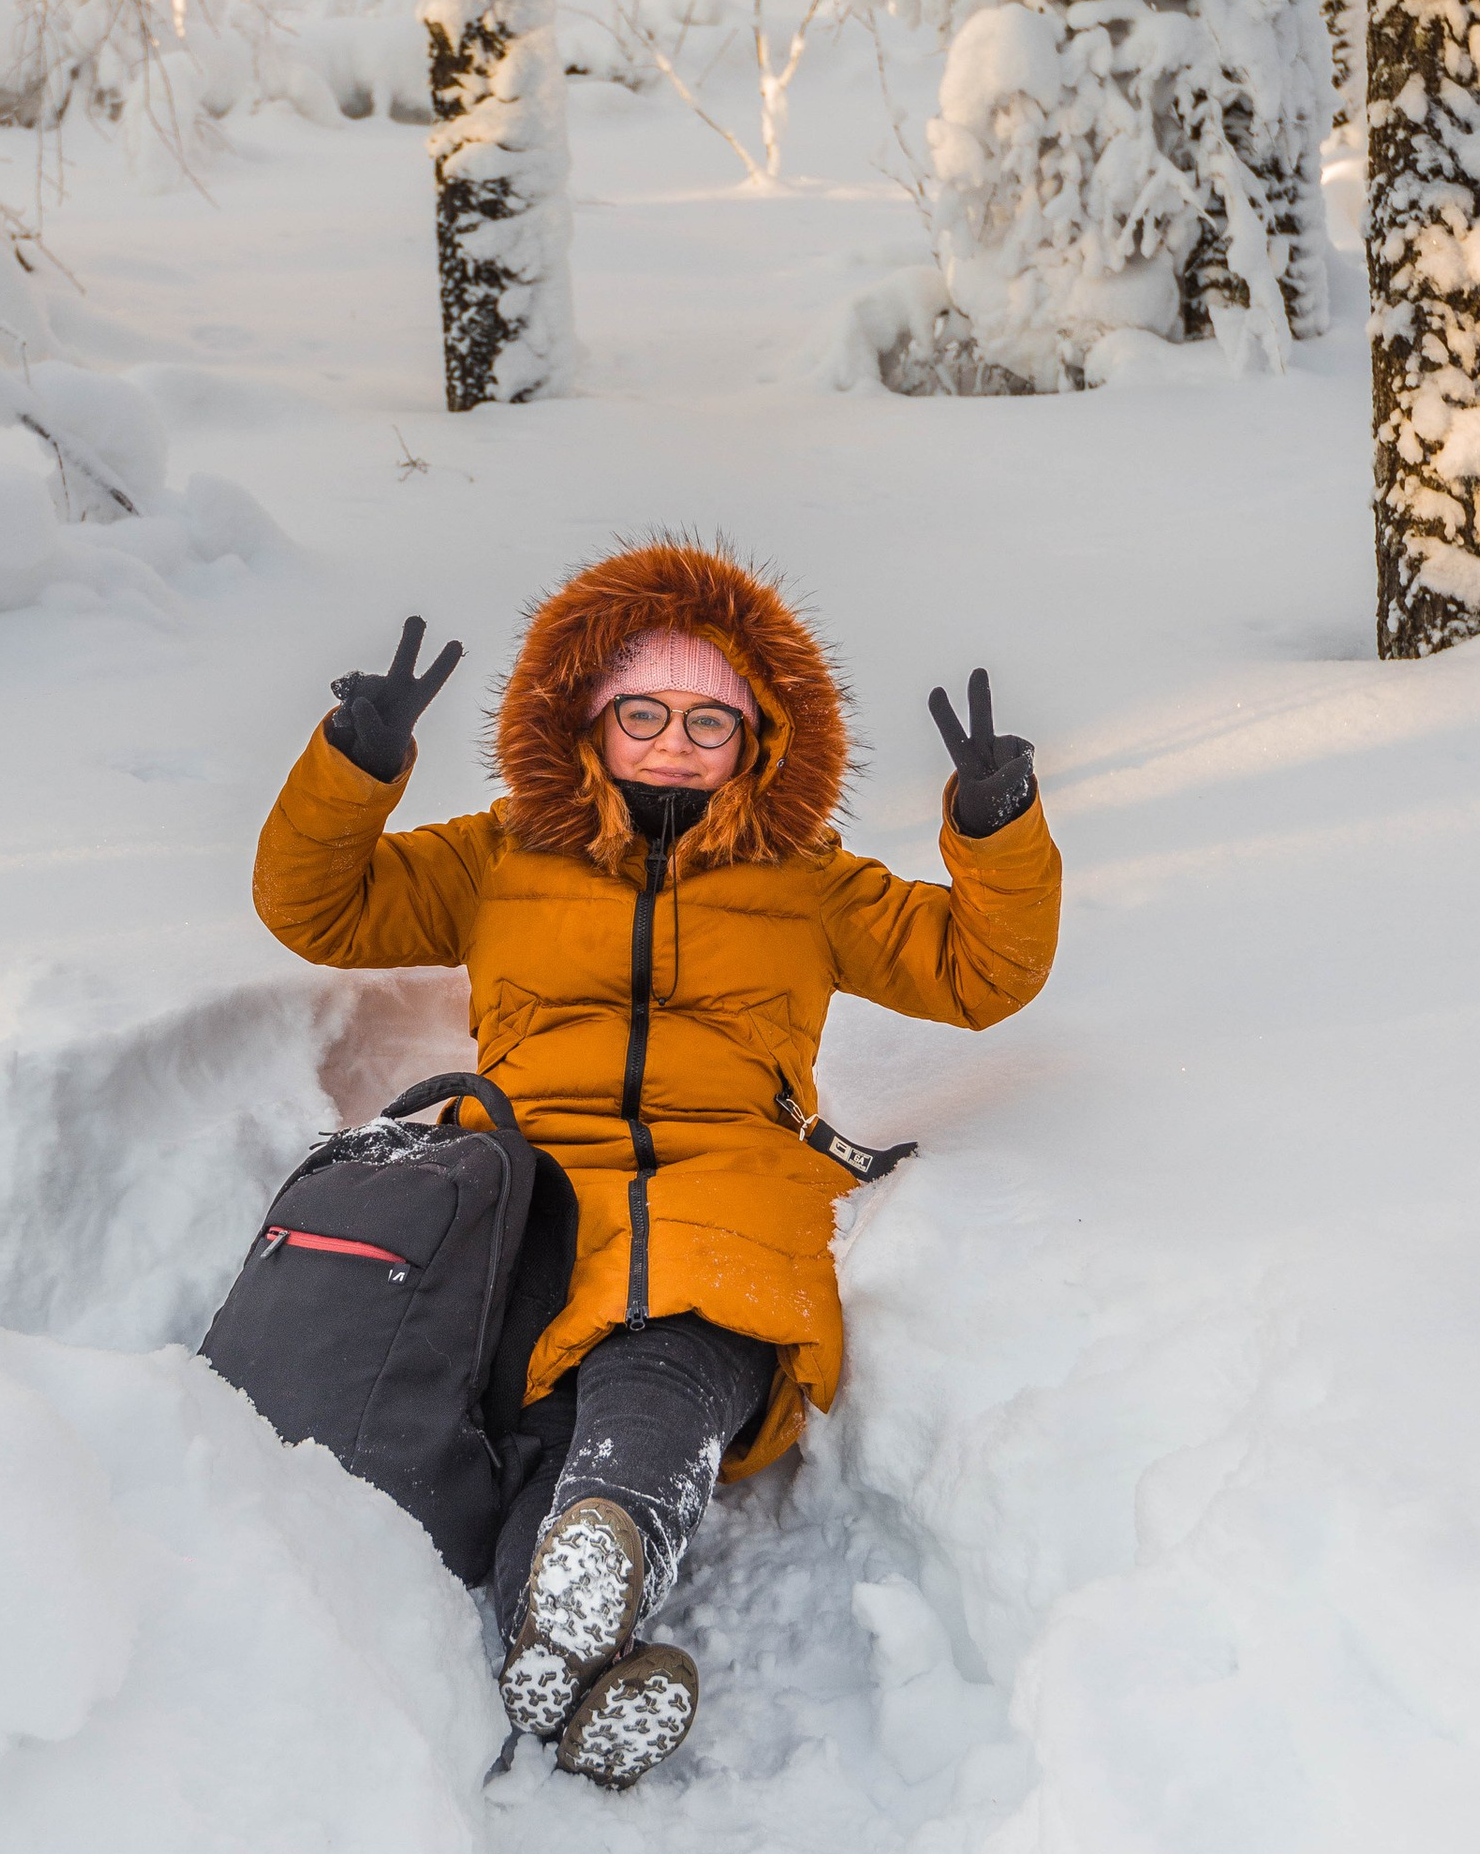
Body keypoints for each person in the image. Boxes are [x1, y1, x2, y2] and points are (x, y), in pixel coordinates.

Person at [251, 540, 1060, 1787]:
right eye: (643, 713)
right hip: (519, 1184)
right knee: (524, 1411)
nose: (673, 742)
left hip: (723, 1178)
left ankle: (604, 1548)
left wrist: (993, 831)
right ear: (585, 718)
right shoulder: (497, 856)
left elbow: (976, 972)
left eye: (707, 721)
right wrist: (354, 766)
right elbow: (321, 906)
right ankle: (574, 1630)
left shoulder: (806, 882)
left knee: (669, 1359)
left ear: (757, 739)